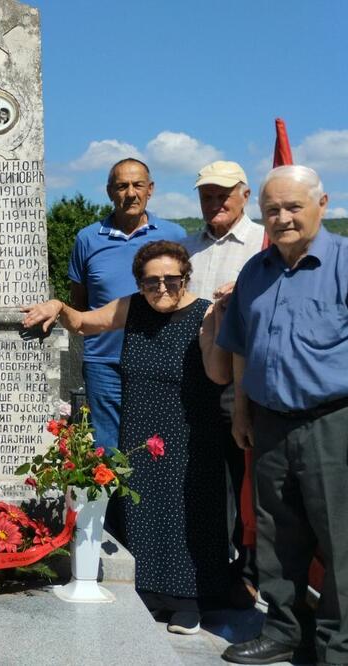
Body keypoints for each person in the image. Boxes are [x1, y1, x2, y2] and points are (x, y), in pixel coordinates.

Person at [24, 240, 232, 635]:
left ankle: (188, 599)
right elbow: (84, 322)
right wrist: (56, 306)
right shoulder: (132, 307)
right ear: (139, 283)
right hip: (140, 426)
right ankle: (151, 592)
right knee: (145, 507)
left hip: (190, 429)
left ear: (185, 276)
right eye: (151, 281)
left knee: (189, 512)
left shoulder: (206, 312)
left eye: (171, 279)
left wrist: (218, 322)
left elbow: (220, 374)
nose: (161, 288)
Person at [216, 165, 348, 666]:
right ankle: (283, 630)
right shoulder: (256, 271)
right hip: (269, 423)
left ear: (323, 203)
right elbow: (242, 348)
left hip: (332, 423)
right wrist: (242, 411)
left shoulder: (344, 262)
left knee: (340, 540)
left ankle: (338, 648)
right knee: (276, 535)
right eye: (272, 209)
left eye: (294, 206)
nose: (283, 218)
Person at [182, 160, 265, 608]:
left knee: (243, 477)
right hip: (194, 373)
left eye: (223, 195)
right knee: (202, 473)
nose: (214, 203)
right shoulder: (186, 247)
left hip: (242, 376)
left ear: (245, 195)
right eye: (207, 195)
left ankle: (247, 572)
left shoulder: (261, 243)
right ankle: (206, 563)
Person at [68, 159, 186, 453]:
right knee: (107, 450)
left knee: (153, 446)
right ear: (110, 192)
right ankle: (112, 503)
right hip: (103, 364)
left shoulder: (175, 235)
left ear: (151, 190)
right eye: (122, 186)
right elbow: (79, 303)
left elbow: (184, 296)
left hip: (156, 358)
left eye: (138, 185)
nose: (130, 193)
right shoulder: (87, 239)